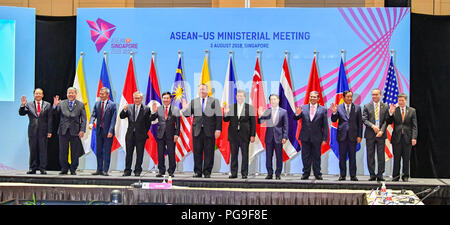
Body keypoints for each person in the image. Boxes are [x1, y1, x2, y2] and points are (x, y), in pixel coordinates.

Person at [181, 84, 222, 178]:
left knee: (209, 152)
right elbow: (187, 114)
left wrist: (218, 129)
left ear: (207, 91)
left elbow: (219, 116)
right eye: (200, 90)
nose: (202, 91)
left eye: (204, 89)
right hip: (197, 130)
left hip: (210, 130)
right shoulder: (194, 101)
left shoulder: (214, 101)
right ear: (198, 91)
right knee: (197, 152)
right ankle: (197, 172)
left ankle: (207, 172)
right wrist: (184, 108)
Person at [294, 91, 328, 180]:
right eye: (311, 97)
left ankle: (317, 173)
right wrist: (297, 114)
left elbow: (325, 125)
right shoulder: (303, 108)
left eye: (314, 97)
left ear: (318, 98)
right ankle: (306, 173)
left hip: (317, 137)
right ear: (309, 97)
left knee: (317, 156)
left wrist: (325, 138)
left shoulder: (323, 109)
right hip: (305, 136)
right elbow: (296, 118)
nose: (312, 98)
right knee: (305, 156)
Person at [53, 87, 87, 175]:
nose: (70, 94)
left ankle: (73, 169)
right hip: (63, 131)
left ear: (76, 94)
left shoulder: (80, 104)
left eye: (72, 93)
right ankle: (64, 168)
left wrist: (82, 130)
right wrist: (55, 106)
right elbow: (55, 114)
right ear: (67, 94)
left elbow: (83, 119)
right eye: (69, 93)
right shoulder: (61, 103)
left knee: (74, 152)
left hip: (75, 131)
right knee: (63, 151)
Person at [223, 90, 256, 179]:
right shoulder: (232, 107)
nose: (240, 97)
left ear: (244, 97)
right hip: (233, 135)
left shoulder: (250, 108)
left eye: (241, 96)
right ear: (236, 97)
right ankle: (233, 173)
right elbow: (226, 120)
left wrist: (253, 135)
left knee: (245, 155)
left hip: (245, 135)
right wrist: (226, 113)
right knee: (234, 155)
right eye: (238, 96)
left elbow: (253, 122)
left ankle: (244, 173)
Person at [19, 88, 53, 175]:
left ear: (42, 95)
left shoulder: (47, 105)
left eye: (40, 94)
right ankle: (32, 168)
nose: (38, 95)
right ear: (34, 95)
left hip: (44, 131)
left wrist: (49, 131)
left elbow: (50, 119)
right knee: (33, 150)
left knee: (43, 150)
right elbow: (21, 113)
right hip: (32, 131)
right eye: (36, 94)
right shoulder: (28, 104)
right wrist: (22, 105)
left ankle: (42, 168)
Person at [330, 91, 362, 181]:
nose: (350, 98)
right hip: (342, 136)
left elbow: (360, 123)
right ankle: (342, 175)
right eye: (348, 97)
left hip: (353, 136)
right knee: (342, 157)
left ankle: (353, 175)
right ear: (343, 98)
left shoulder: (357, 108)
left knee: (353, 157)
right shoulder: (338, 108)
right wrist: (334, 113)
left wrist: (359, 136)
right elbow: (334, 120)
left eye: (351, 97)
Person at [119, 91, 151, 177]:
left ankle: (137, 170)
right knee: (129, 153)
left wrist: (144, 132)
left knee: (140, 154)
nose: (136, 100)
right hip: (130, 135)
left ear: (141, 99)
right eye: (135, 98)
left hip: (141, 136)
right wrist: (124, 109)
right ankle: (127, 171)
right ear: (133, 99)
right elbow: (121, 116)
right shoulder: (128, 107)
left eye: (138, 98)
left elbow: (148, 123)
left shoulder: (146, 108)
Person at [387, 93, 417, 182]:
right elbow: (389, 122)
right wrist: (391, 114)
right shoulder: (395, 110)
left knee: (406, 159)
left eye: (402, 100)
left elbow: (414, 126)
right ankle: (395, 176)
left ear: (406, 101)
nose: (400, 102)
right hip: (397, 138)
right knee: (396, 159)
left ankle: (405, 176)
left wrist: (414, 137)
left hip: (408, 138)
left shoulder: (412, 111)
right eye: (399, 100)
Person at [149, 92, 180, 178]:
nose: (165, 100)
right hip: (160, 134)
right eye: (164, 98)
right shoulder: (159, 109)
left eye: (167, 98)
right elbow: (152, 118)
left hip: (171, 134)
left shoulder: (175, 109)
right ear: (162, 99)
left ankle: (171, 171)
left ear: (170, 99)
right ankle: (161, 171)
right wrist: (153, 112)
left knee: (171, 153)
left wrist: (176, 134)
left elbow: (178, 124)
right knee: (160, 153)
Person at [257, 94, 288, 180]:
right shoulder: (267, 111)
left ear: (278, 100)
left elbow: (286, 125)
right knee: (268, 157)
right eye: (271, 100)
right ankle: (269, 173)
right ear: (269, 102)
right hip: (269, 137)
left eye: (275, 99)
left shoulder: (283, 112)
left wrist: (285, 137)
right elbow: (260, 122)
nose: (273, 101)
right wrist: (260, 115)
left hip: (279, 137)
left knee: (279, 157)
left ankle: (278, 174)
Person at [362, 88, 389, 181]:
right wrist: (372, 126)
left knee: (381, 155)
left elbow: (387, 120)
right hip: (370, 134)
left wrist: (381, 130)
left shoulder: (385, 106)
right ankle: (372, 174)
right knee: (370, 155)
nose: (374, 96)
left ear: (380, 95)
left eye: (376, 94)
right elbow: (364, 119)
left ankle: (380, 174)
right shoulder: (367, 106)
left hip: (381, 135)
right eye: (373, 94)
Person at [88, 87, 117, 176]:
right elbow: (93, 115)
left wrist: (111, 131)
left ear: (107, 95)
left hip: (108, 132)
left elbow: (113, 119)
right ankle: (99, 169)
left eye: (103, 94)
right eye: (100, 94)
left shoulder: (112, 105)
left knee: (107, 151)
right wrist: (91, 122)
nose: (101, 95)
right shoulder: (97, 104)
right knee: (99, 151)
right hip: (99, 131)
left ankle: (105, 170)